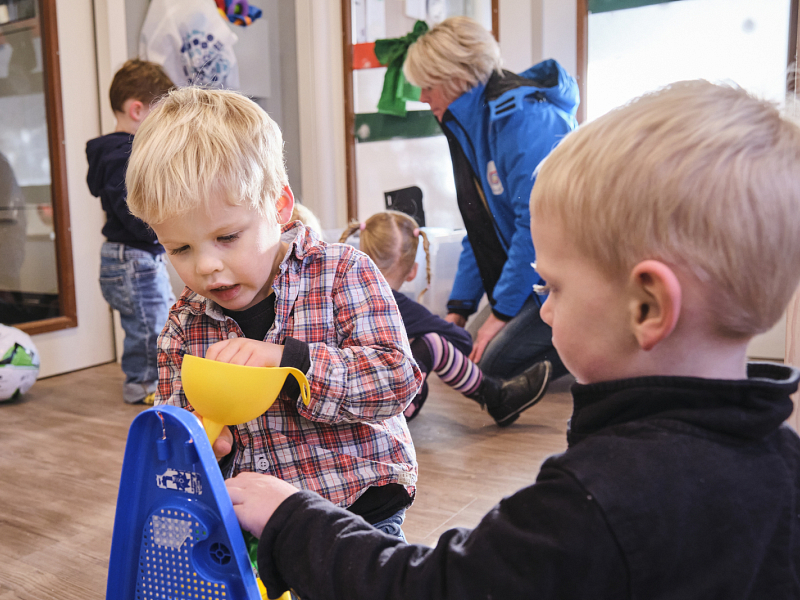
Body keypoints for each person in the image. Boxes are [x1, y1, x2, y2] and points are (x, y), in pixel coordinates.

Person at [223, 80, 800, 599]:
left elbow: (426, 588)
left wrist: (295, 519)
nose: (543, 312)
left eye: (552, 287)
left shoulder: (593, 502)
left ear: (647, 306)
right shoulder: (785, 462)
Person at [124, 87, 423, 540]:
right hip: (256, 525)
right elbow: (175, 431)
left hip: (360, 505)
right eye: (180, 248)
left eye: (227, 238)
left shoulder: (342, 271)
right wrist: (199, 448)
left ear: (279, 207)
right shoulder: (182, 328)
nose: (206, 266)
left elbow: (396, 380)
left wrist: (291, 362)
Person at [403, 17, 578, 381]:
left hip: (569, 275)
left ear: (456, 77)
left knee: (492, 366)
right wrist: (458, 310)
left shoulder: (524, 119)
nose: (422, 97)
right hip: (536, 274)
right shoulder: (477, 125)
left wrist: (500, 313)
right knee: (469, 354)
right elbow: (481, 227)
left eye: (428, 85)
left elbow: (535, 227)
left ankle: (602, 339)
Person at [340, 211, 550, 426]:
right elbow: (461, 341)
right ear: (413, 271)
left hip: (336, 407)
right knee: (432, 344)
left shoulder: (342, 294)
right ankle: (496, 398)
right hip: (377, 419)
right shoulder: (397, 305)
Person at [86, 59, 176, 405]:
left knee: (154, 319)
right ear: (137, 110)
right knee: (148, 327)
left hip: (133, 257)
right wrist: (159, 233)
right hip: (133, 258)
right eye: (161, 113)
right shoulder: (122, 154)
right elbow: (131, 211)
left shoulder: (117, 152)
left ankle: (155, 380)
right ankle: (142, 385)